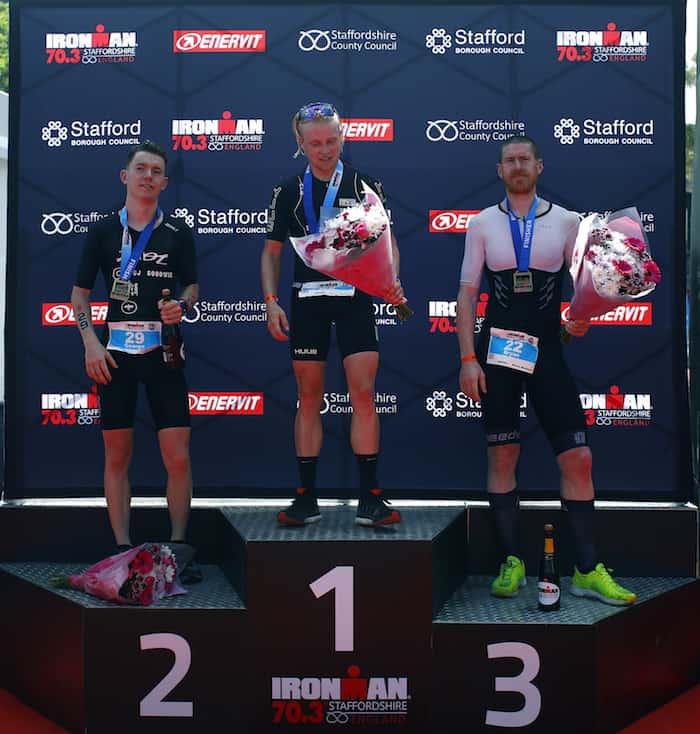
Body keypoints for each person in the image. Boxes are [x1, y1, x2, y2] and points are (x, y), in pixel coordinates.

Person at [456, 135, 636, 606]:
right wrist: (466, 359)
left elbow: (587, 287)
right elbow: (466, 295)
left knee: (579, 458)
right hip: (495, 352)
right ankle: (511, 560)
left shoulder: (568, 222)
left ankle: (587, 568)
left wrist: (583, 319)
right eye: (509, 161)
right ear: (499, 170)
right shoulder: (481, 224)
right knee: (502, 457)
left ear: (540, 166)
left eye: (525, 160)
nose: (517, 167)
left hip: (548, 354)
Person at [261, 101, 406, 527]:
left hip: (355, 300)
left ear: (343, 137)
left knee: (363, 394)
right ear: (301, 145)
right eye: (316, 143)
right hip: (307, 300)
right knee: (309, 398)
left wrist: (392, 281)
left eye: (332, 140)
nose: (325, 150)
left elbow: (387, 243)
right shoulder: (288, 191)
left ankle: (370, 498)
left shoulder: (365, 184)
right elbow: (270, 254)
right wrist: (270, 302)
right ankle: (305, 498)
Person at [71, 140, 202, 582]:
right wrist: (90, 342)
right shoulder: (103, 231)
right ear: (125, 176)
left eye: (156, 171)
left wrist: (180, 306)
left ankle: (180, 549)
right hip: (115, 357)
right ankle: (121, 551)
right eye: (140, 168)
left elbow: (192, 288)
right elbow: (80, 294)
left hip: (164, 354)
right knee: (116, 455)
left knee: (177, 457)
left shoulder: (179, 232)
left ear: (165, 183)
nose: (148, 176)